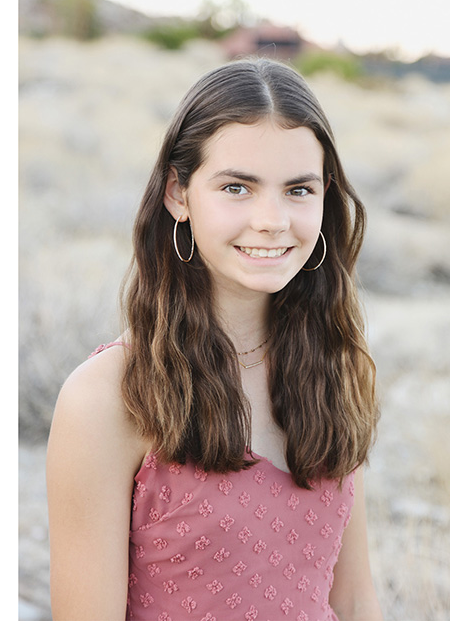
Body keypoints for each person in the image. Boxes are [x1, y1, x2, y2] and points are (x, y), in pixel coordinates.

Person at [47, 59, 383, 620]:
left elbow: (353, 599)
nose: (272, 220)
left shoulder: (335, 368)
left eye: (298, 190)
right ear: (179, 194)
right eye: (237, 187)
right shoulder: (107, 398)